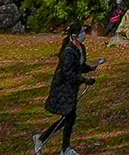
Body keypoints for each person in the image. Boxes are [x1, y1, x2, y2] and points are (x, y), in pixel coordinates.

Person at [34, 23, 100, 155]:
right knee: (69, 117)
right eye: (81, 32)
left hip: (72, 87)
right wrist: (84, 80)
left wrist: (89, 68)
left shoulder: (80, 48)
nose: (84, 34)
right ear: (74, 36)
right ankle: (61, 146)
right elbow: (68, 73)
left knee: (69, 118)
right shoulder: (68, 52)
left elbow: (78, 66)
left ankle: (49, 141)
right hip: (63, 88)